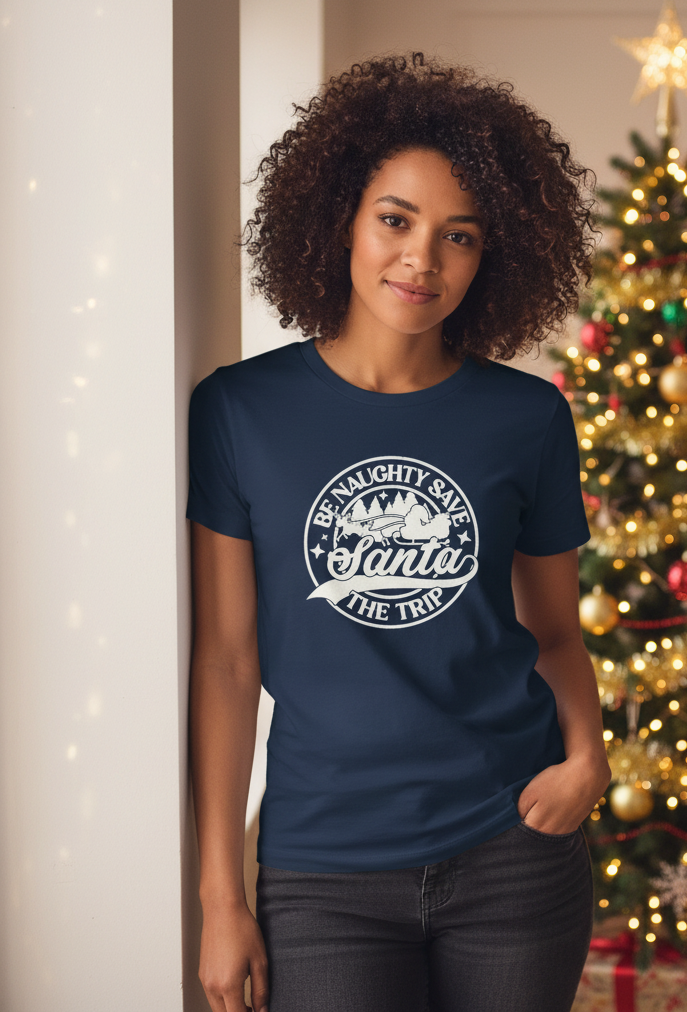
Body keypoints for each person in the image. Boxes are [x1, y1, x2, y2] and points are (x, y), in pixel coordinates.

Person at [188, 53, 609, 1012]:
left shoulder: (529, 417)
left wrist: (588, 758)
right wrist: (220, 895)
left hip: (515, 854)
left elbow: (553, 632)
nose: (422, 260)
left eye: (458, 236)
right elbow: (225, 659)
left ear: (491, 255)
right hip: (323, 871)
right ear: (339, 215)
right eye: (396, 220)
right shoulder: (239, 412)